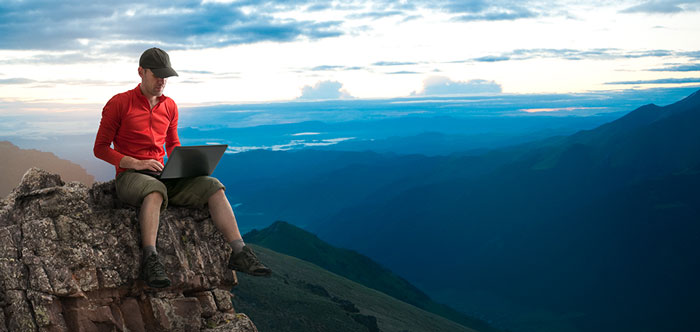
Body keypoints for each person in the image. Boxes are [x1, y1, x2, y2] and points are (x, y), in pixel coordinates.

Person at [94, 47, 270, 288]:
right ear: (141, 72)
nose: (162, 81)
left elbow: (173, 144)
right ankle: (150, 259)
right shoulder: (119, 103)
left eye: (165, 76)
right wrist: (135, 162)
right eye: (156, 75)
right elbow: (101, 148)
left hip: (164, 175)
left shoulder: (170, 106)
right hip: (131, 176)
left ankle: (239, 252)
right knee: (154, 191)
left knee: (214, 186)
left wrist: (186, 164)